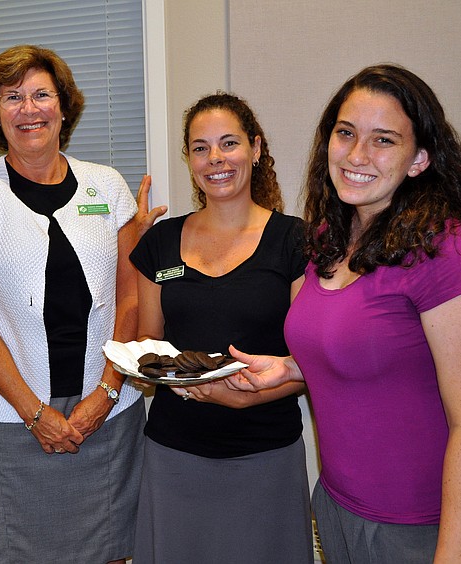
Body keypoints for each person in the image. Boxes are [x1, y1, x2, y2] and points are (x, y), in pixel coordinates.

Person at [227, 64, 461, 563]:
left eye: (383, 140)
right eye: (346, 133)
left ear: (419, 159)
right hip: (343, 511)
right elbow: (376, 357)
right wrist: (289, 368)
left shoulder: (450, 252)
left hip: (430, 531)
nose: (357, 155)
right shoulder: (328, 239)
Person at [0, 44, 162, 564]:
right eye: (12, 97)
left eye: (42, 94)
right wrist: (33, 412)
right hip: (6, 419)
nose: (29, 108)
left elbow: (128, 300)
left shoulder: (107, 186)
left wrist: (106, 393)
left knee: (110, 550)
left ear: (64, 106)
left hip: (105, 416)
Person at [128, 93, 312, 563]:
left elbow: (312, 361)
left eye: (228, 144)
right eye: (200, 148)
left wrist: (243, 396)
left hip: (265, 454)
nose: (215, 159)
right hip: (176, 454)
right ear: (189, 160)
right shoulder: (161, 243)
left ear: (255, 148)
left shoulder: (297, 242)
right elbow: (145, 349)